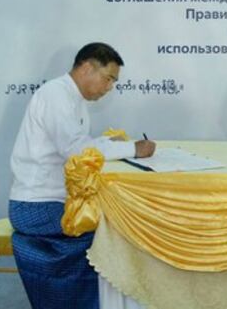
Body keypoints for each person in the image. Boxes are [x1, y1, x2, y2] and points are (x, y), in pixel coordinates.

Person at [8, 42, 155, 309]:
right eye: (108, 79)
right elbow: (75, 150)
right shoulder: (56, 95)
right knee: (117, 226)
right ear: (87, 68)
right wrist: (133, 149)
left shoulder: (71, 97)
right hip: (37, 207)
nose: (110, 87)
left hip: (53, 199)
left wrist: (109, 144)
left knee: (119, 219)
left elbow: (78, 144)